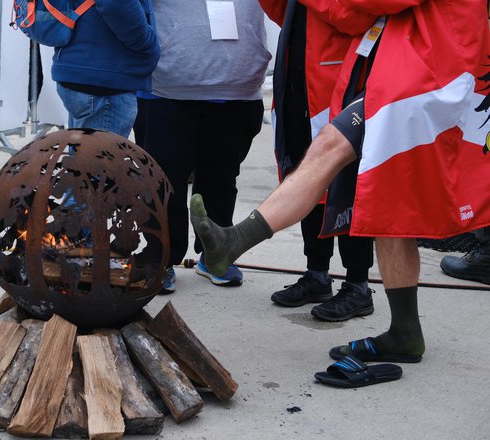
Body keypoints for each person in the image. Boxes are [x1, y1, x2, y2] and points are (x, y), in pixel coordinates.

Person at [191, 0, 490, 364]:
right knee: (390, 206)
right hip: (420, 76)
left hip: (426, 81)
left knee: (330, 148)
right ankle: (405, 333)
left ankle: (233, 242)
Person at [133, 0, 272, 293]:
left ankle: (215, 254)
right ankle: (160, 258)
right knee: (162, 182)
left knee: (221, 178)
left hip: (237, 88)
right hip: (165, 89)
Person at [262, 1, 376, 321]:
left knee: (346, 183)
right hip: (297, 80)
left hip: (340, 84)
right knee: (304, 176)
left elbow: (355, 15)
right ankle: (317, 274)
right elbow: (281, 12)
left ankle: (358, 284)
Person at [50, 0, 161, 138]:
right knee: (99, 158)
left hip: (85, 70)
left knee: (83, 156)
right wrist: (148, 44)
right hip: (104, 80)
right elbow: (115, 4)